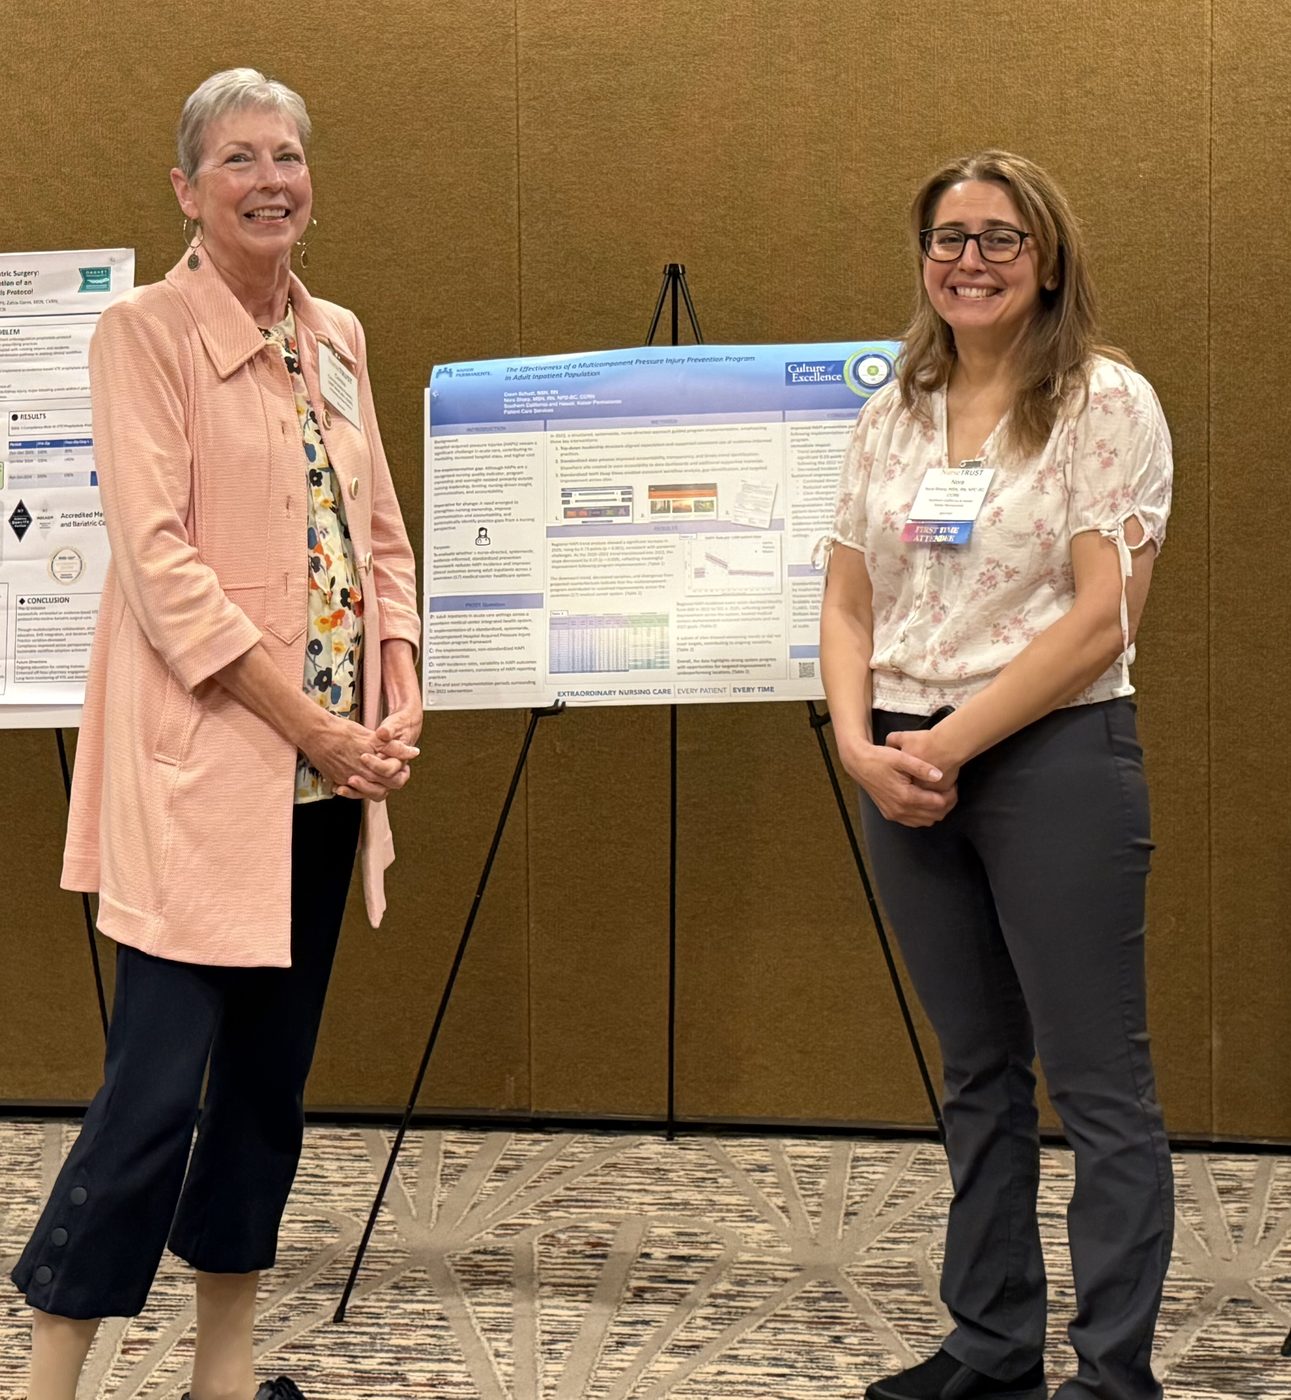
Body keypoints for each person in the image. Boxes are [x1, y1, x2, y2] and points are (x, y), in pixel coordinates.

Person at [12, 69, 422, 1400]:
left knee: (263, 1092)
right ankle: (47, 1381)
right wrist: (315, 721)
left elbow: (378, 543)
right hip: (201, 777)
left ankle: (221, 1378)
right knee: (152, 1097)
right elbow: (158, 563)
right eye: (238, 158)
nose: (270, 179)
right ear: (188, 191)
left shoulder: (341, 337)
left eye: (289, 154)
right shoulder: (145, 334)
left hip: (319, 788)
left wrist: (393, 694)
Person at [819, 151, 1174, 1400]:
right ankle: (989, 1343)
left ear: (1048, 257)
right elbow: (846, 597)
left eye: (999, 238)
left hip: (1051, 758)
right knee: (973, 1072)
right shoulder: (892, 409)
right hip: (903, 761)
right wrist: (861, 746)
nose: (968, 259)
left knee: (1095, 1081)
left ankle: (1112, 1372)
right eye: (947, 237)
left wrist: (948, 742)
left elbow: (1101, 617)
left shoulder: (1102, 402)